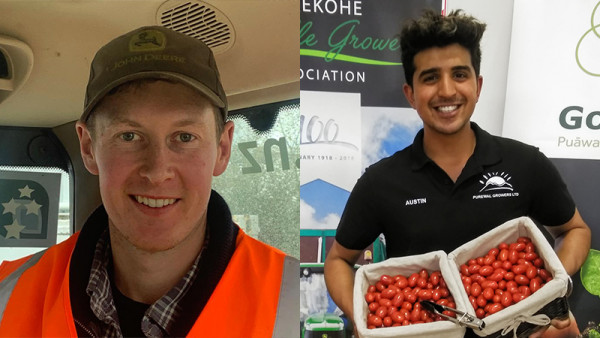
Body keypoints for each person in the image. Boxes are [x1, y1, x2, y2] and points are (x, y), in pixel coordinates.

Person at [0, 26, 298, 337]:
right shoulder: (7, 295)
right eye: (128, 136)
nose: (157, 171)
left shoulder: (295, 305)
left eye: (185, 137)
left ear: (222, 149)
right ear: (88, 148)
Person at [324, 9, 591, 337]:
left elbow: (574, 229)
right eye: (431, 77)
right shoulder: (379, 182)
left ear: (478, 86)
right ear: (411, 94)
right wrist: (368, 322)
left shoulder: (525, 163)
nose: (447, 90)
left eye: (460, 74)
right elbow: (337, 261)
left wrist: (545, 292)